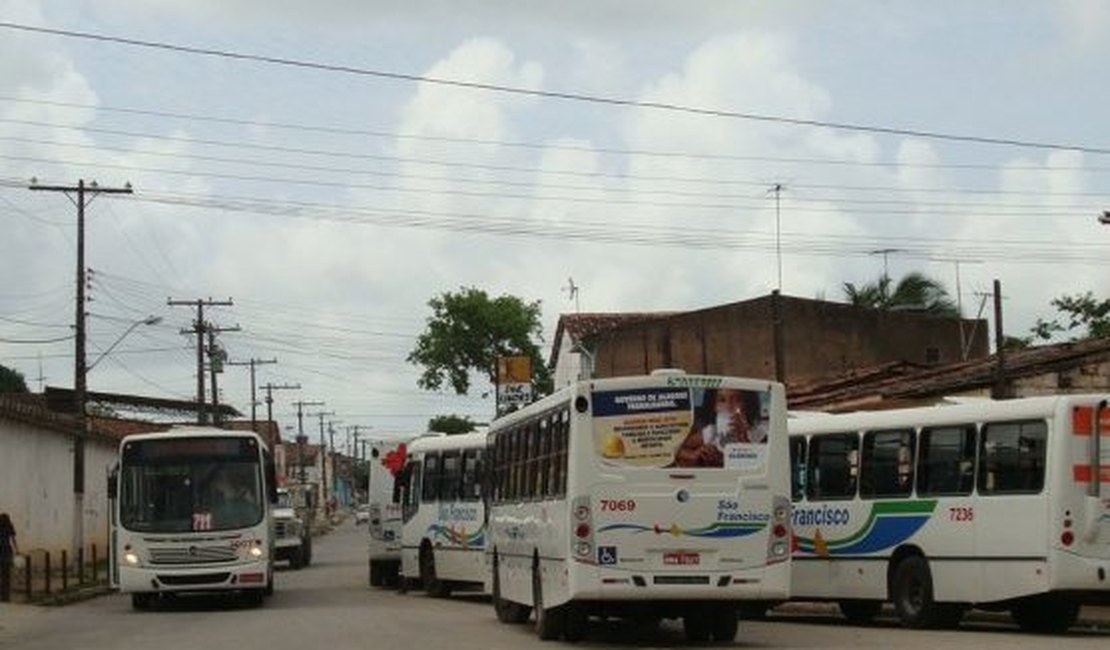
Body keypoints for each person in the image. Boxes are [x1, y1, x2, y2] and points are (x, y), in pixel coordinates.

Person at [673, 388, 765, 467]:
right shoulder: (710, 432)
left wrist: (744, 438)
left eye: (737, 399)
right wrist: (695, 454)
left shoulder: (757, 432)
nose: (729, 406)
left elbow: (761, 462)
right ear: (714, 406)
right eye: (722, 400)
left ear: (747, 403)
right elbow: (673, 449)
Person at [0, 512, 18, 602]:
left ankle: (3, 587)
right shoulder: (9, 526)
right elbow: (13, 539)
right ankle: (5, 587)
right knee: (6, 569)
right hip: (7, 549)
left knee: (2, 569)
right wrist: (17, 549)